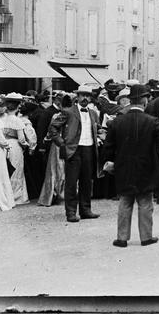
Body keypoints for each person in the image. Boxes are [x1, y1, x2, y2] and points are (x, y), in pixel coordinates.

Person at [102, 84, 159, 248]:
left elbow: (108, 145)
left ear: (130, 100)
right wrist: (154, 149)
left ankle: (122, 238)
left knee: (125, 201)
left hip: (123, 166)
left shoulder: (117, 121)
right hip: (146, 165)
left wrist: (111, 160)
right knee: (145, 202)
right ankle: (146, 237)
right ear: (144, 100)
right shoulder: (151, 121)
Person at [46, 84, 101, 222]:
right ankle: (70, 212)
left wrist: (100, 136)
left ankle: (85, 210)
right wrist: (61, 143)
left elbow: (98, 129)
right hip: (73, 150)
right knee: (71, 182)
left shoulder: (94, 114)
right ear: (77, 96)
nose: (85, 98)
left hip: (89, 148)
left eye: (88, 96)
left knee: (87, 181)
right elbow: (53, 128)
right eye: (82, 95)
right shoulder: (68, 111)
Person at [0, 93, 31, 205]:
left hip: (4, 145)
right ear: (18, 106)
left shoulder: (2, 118)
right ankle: (16, 196)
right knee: (16, 170)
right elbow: (21, 139)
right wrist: (27, 146)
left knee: (7, 170)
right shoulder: (17, 121)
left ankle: (6, 195)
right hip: (15, 146)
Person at [38, 91, 67, 206]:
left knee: (61, 169)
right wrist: (44, 142)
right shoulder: (54, 115)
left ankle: (61, 194)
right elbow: (50, 130)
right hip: (58, 144)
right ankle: (57, 195)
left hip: (63, 143)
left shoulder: (64, 114)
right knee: (58, 169)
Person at [19, 99, 41, 199]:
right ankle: (32, 191)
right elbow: (32, 138)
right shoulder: (27, 122)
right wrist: (32, 148)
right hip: (26, 148)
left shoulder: (18, 119)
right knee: (29, 170)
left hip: (20, 146)